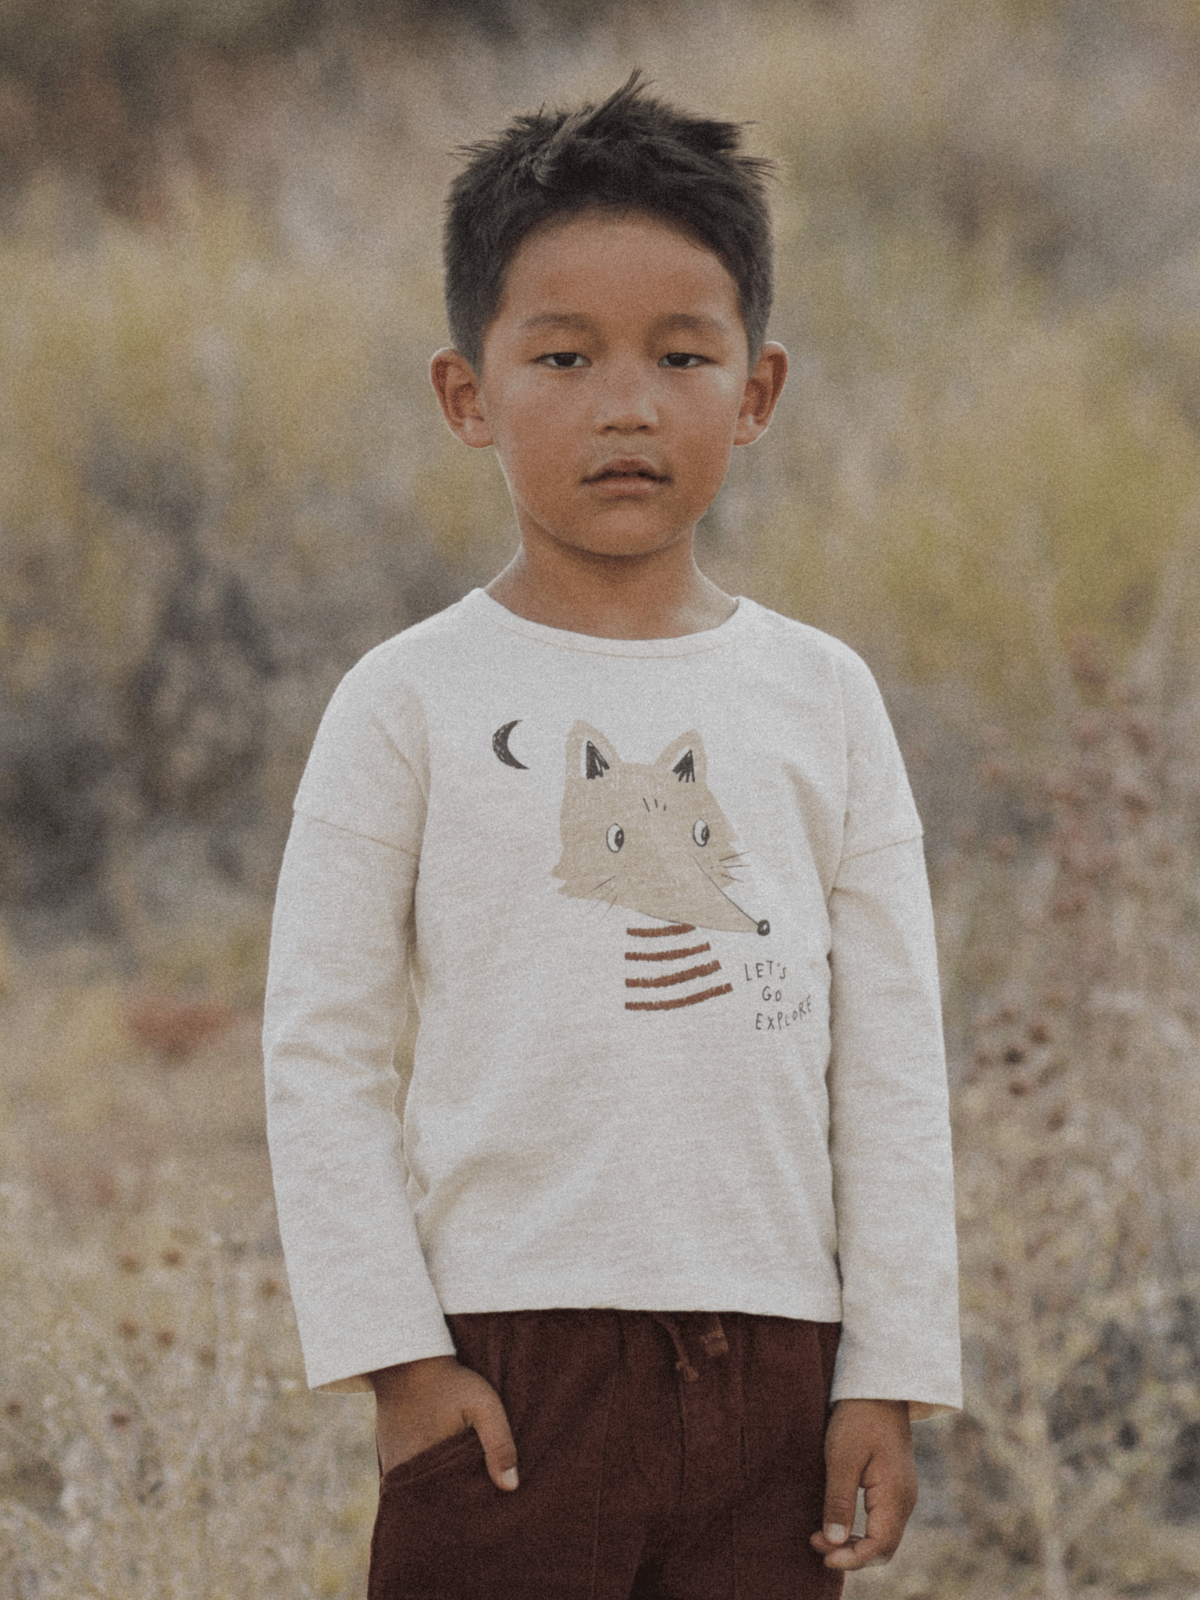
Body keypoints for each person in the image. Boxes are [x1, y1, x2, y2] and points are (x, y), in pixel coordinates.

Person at [263, 72, 960, 1600]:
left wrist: (888, 1373)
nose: (628, 404)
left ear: (757, 392)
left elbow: (893, 1059)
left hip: (779, 1375)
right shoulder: (407, 701)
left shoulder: (824, 699)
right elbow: (319, 1050)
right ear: (469, 394)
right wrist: (398, 1363)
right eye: (565, 356)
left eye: (682, 355)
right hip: (507, 1374)